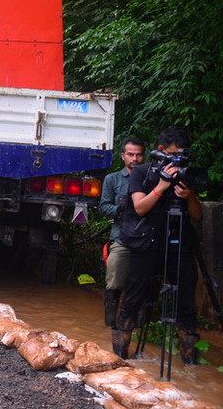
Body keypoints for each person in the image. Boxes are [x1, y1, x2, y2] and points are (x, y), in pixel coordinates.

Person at [112, 126, 203, 363]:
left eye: (182, 156)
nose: (178, 161)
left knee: (185, 299)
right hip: (147, 242)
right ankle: (119, 357)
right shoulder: (141, 172)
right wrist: (161, 187)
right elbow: (140, 207)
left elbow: (197, 216)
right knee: (134, 296)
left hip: (179, 242)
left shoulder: (185, 174)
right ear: (161, 151)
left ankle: (190, 361)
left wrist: (191, 196)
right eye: (173, 155)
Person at [99, 137, 146, 327]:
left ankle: (140, 326)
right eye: (130, 154)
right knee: (114, 280)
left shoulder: (150, 178)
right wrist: (119, 209)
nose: (134, 158)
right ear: (123, 156)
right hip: (121, 237)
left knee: (144, 284)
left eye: (139, 154)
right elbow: (103, 207)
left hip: (145, 239)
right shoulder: (113, 179)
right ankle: (110, 326)